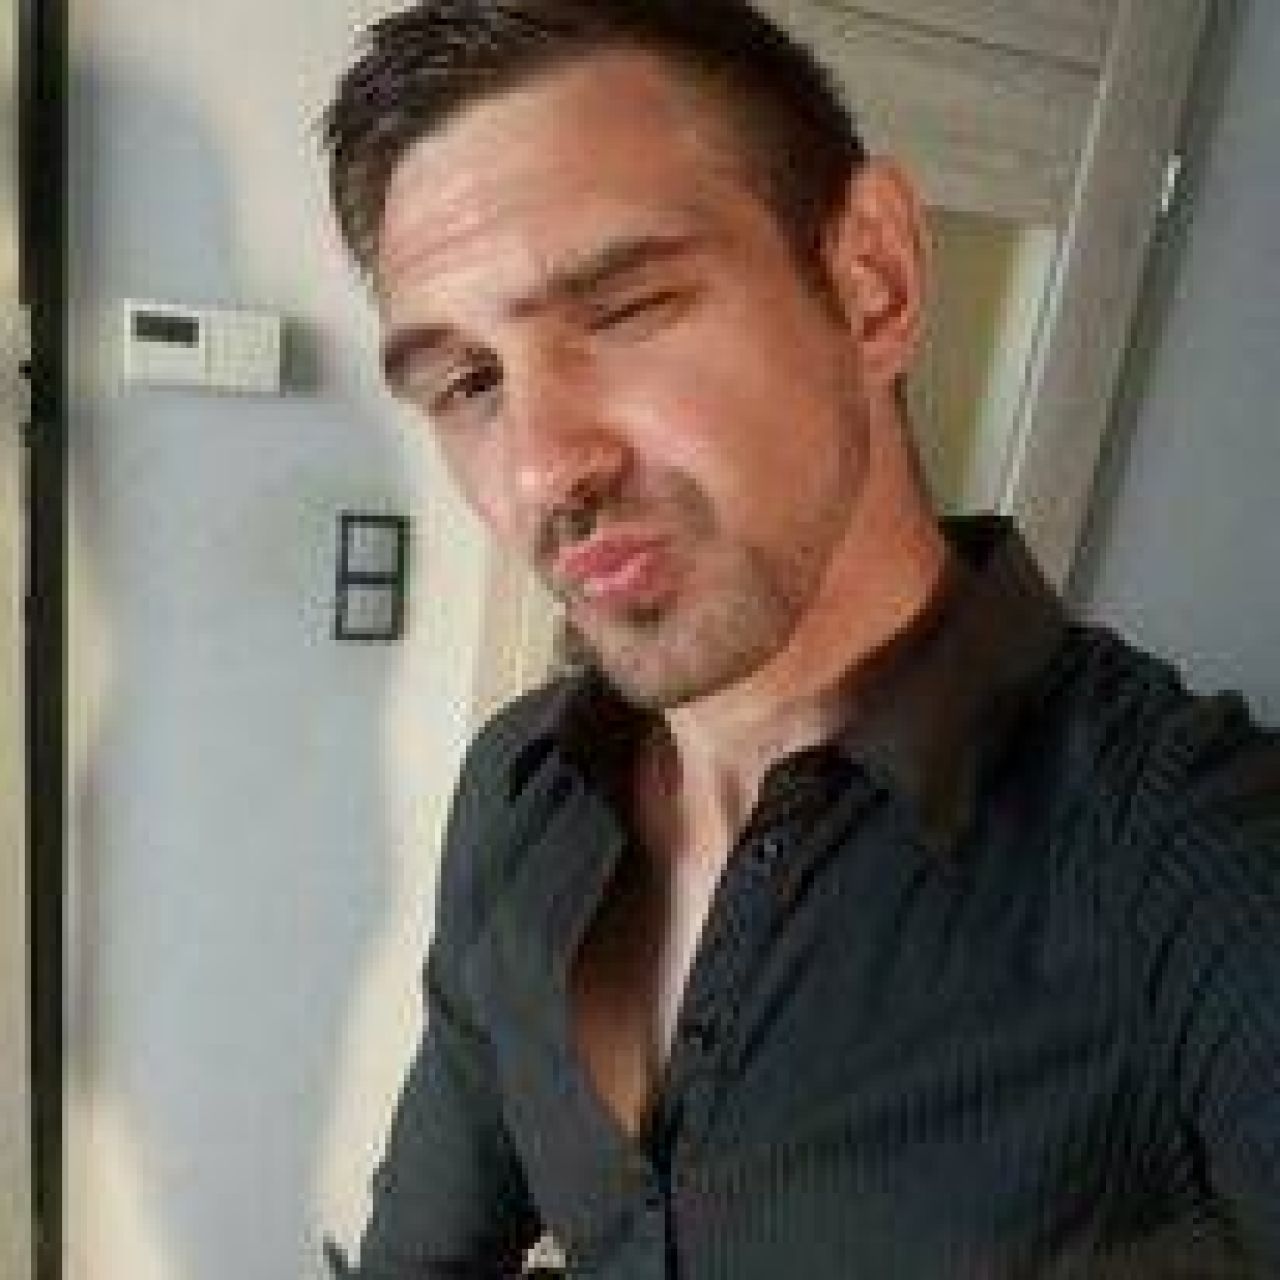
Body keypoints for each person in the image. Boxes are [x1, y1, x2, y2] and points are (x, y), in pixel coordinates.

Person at [320, 1, 1280, 1275]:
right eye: (470, 382)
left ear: (871, 281)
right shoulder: (518, 785)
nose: (541, 469)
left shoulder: (1191, 849)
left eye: (624, 307)